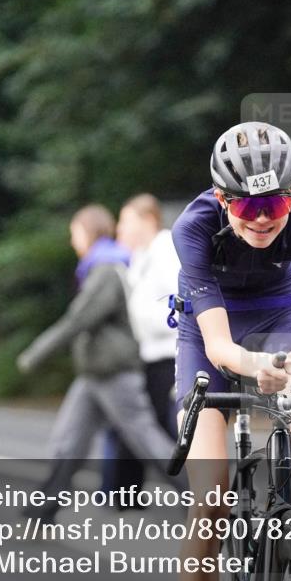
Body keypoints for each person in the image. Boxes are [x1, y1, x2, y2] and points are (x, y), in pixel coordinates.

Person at [169, 122, 291, 581]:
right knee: (212, 500)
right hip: (210, 327)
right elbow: (219, 345)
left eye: (276, 206)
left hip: (279, 313)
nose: (262, 220)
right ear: (223, 199)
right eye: (247, 207)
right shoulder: (193, 226)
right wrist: (255, 367)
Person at [16, 204, 182, 521]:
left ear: (88, 232)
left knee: (147, 440)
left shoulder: (105, 269)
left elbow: (79, 318)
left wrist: (35, 354)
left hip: (115, 372)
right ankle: (45, 506)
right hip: (94, 374)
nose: (72, 241)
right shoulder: (102, 266)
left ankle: (204, 497)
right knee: (68, 440)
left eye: (75, 233)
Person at [97, 193, 181, 495]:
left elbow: (180, 301)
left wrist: (148, 323)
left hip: (168, 354)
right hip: (147, 354)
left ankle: (201, 495)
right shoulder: (140, 256)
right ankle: (123, 492)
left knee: (161, 428)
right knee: (139, 425)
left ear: (147, 220)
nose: (120, 228)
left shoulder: (167, 249)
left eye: (125, 220)